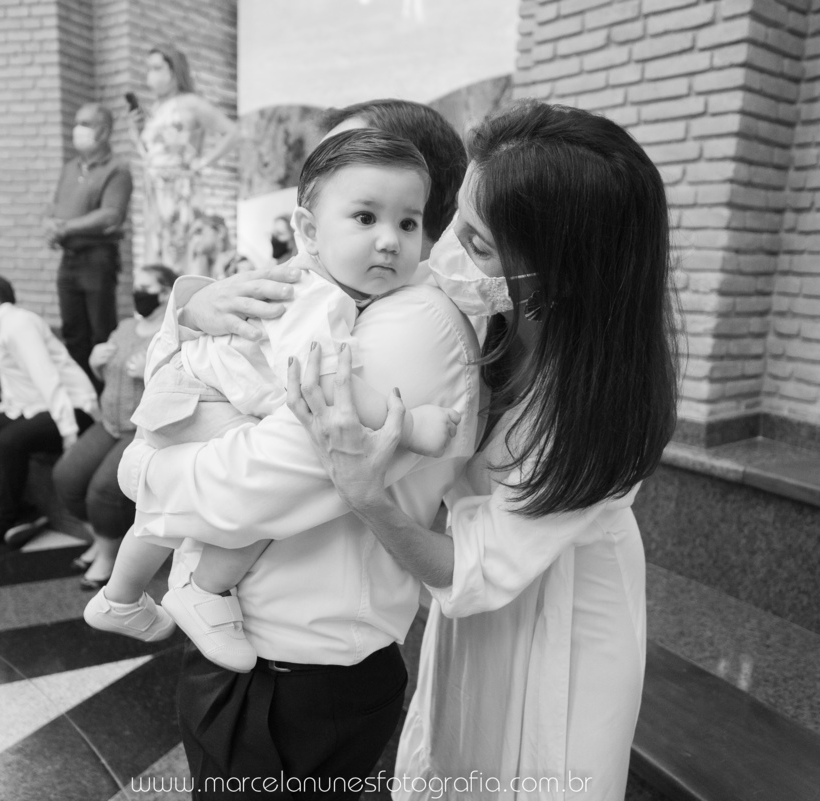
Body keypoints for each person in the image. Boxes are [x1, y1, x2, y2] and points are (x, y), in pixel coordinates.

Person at [287, 101, 679, 800]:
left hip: (558, 609)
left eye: (477, 241)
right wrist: (203, 302)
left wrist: (365, 492)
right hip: (476, 598)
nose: (440, 255)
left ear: (559, 270)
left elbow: (469, 568)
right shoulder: (493, 302)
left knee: (537, 765)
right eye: (454, 222)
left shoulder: (589, 411)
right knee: (457, 755)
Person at [113, 99, 477, 797]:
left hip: (298, 678)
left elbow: (247, 484)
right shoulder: (336, 289)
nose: (374, 234)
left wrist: (141, 468)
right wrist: (190, 310)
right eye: (344, 204)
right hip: (267, 659)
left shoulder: (410, 320)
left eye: (393, 215)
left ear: (427, 215)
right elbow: (184, 371)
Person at [0, 272, 98, 550]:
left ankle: (3, 519)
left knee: (11, 439)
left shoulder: (17, 324)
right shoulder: (1, 326)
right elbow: (20, 386)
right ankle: (24, 510)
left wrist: (70, 435)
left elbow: (47, 378)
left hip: (73, 407)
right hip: (33, 408)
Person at [53, 264, 176, 590]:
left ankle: (108, 555)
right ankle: (101, 539)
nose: (139, 294)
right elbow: (110, 377)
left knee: (103, 491)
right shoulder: (123, 329)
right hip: (108, 422)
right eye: (137, 286)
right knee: (66, 476)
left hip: (141, 429)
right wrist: (95, 364)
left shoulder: (171, 332)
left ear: (165, 293)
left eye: (146, 287)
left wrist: (149, 373)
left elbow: (180, 386)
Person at [129, 43, 240, 272]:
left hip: (181, 190)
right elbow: (151, 153)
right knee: (157, 256)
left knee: (182, 253)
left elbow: (233, 132)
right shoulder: (157, 108)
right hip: (155, 191)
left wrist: (203, 162)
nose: (151, 74)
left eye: (157, 67)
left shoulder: (191, 103)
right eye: (149, 68)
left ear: (174, 69)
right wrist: (135, 131)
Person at [45, 103, 133, 381]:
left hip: (97, 257)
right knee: (73, 330)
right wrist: (49, 225)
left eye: (86, 123)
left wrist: (66, 227)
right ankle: (82, 394)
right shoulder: (70, 167)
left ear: (104, 131)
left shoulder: (117, 169)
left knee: (100, 331)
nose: (78, 129)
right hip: (68, 257)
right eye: (77, 122)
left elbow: (110, 215)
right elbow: (54, 207)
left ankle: (103, 392)